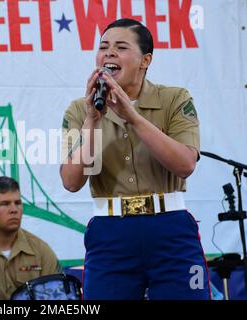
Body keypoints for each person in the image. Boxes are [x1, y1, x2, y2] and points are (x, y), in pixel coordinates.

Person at [60, 18, 210, 300]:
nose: (109, 54)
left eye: (121, 47)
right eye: (103, 47)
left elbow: (185, 164)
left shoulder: (174, 98)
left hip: (171, 229)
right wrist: (92, 120)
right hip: (110, 234)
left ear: (145, 60)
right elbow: (71, 181)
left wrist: (133, 116)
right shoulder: (79, 110)